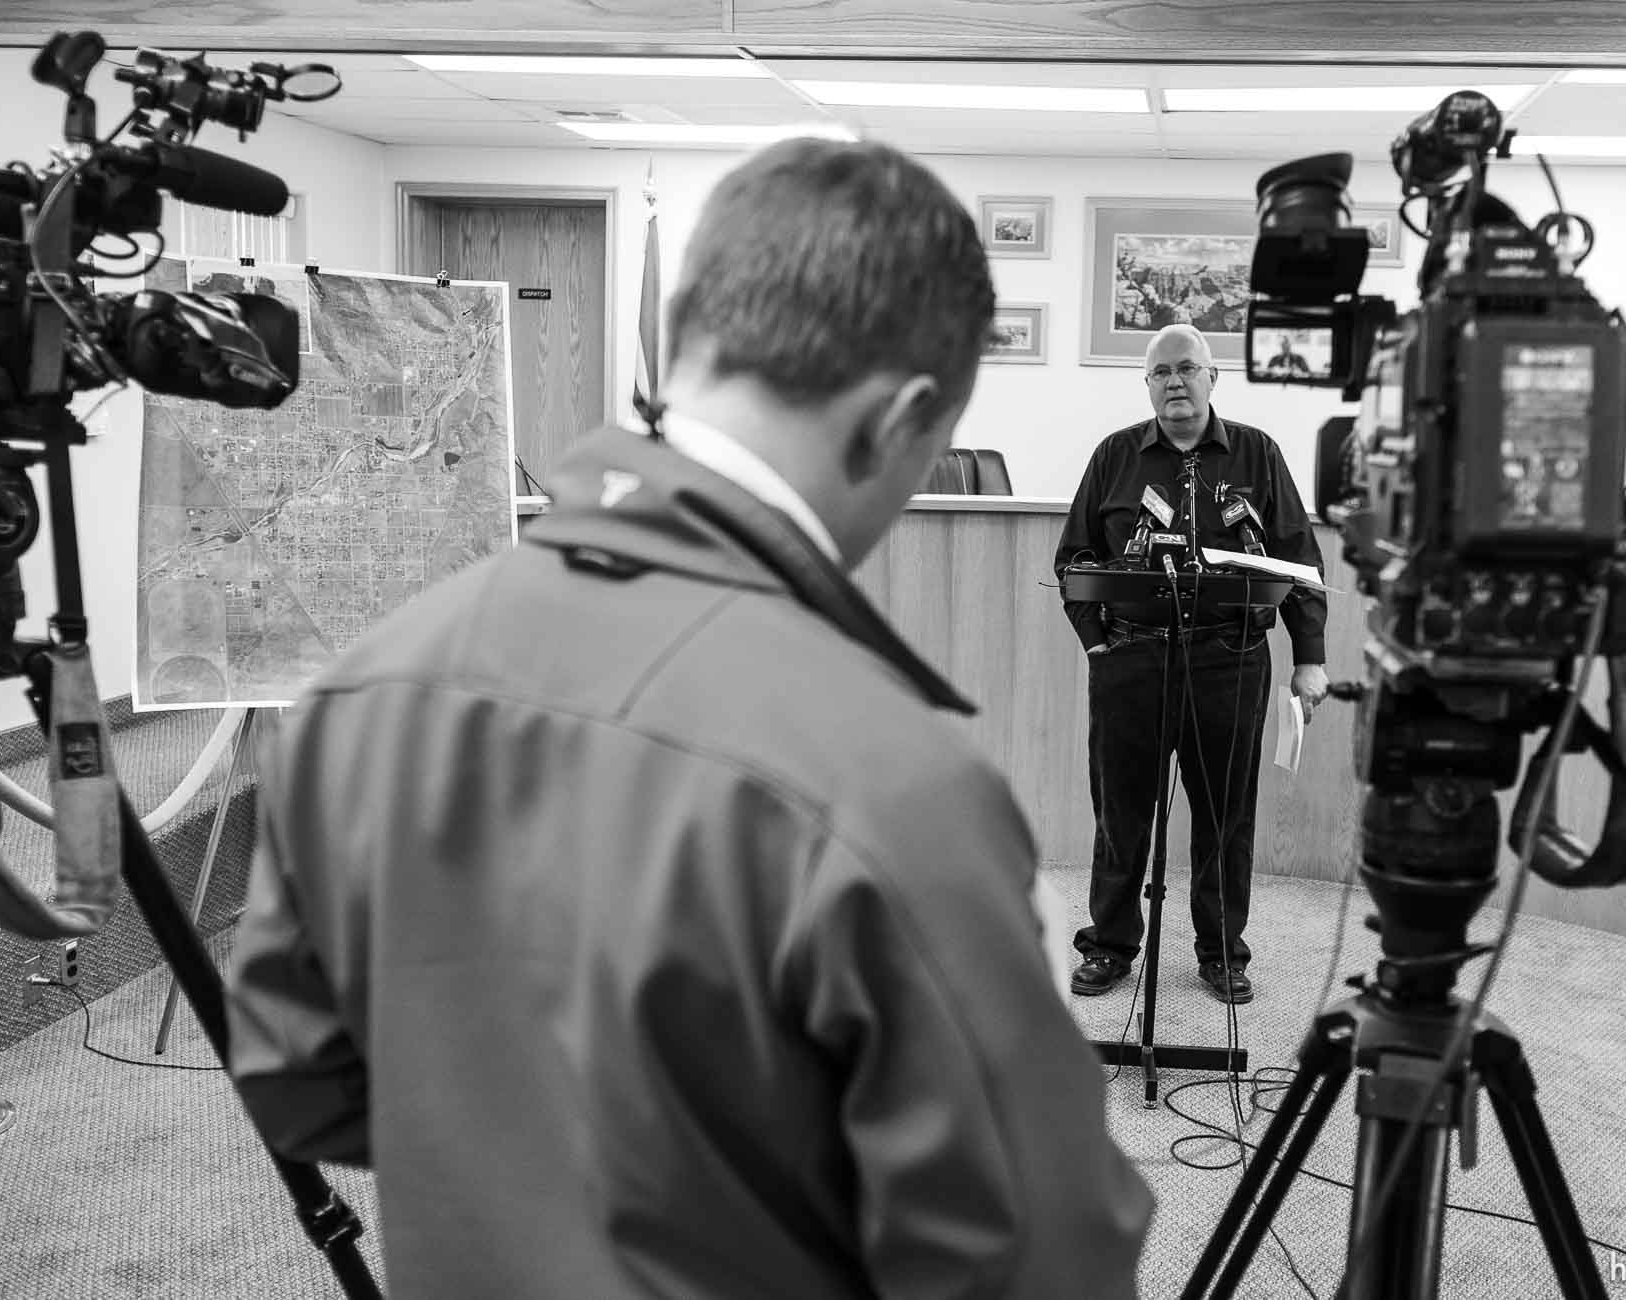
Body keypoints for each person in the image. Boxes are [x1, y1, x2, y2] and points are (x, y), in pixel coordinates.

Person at [224, 138, 1152, 1300]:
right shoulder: (895, 790)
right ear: (899, 420)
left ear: (679, 348)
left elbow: (299, 1079)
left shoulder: (358, 690)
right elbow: (1040, 1265)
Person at [1054, 324, 1329, 1005]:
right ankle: (1111, 945)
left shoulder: (1258, 455)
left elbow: (1301, 563)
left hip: (1228, 660)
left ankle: (1220, 953)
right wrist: (1094, 641)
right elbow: (1072, 561)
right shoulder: (1114, 456)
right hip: (1130, 660)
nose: (1174, 382)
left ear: (1212, 377)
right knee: (1121, 811)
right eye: (1160, 373)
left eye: (1186, 369)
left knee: (1224, 815)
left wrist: (1309, 659)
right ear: (1146, 384)